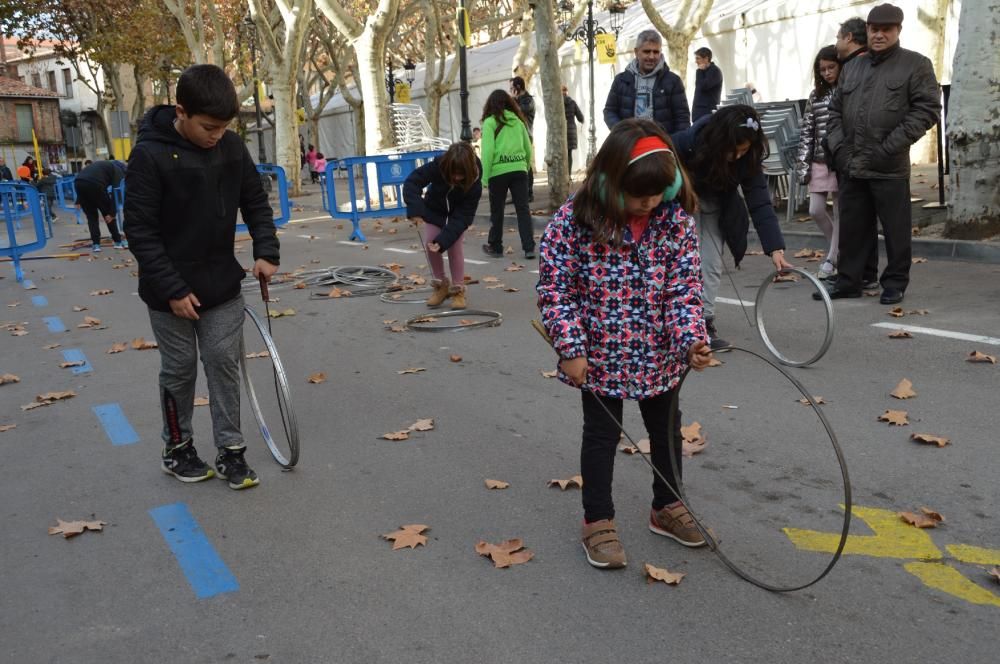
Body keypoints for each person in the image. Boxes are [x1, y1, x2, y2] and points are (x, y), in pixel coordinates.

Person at [537, 118, 713, 570]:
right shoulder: (574, 221)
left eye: (657, 194)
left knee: (666, 431)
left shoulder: (673, 220)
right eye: (639, 196)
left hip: (661, 354)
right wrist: (571, 347)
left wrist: (691, 340)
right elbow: (556, 289)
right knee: (601, 435)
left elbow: (683, 290)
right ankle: (597, 520)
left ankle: (666, 506)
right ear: (612, 180)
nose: (648, 203)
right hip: (599, 356)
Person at [124, 64, 280, 489]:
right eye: (208, 126)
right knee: (179, 370)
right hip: (167, 290)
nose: (216, 135)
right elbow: (139, 230)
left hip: (222, 284)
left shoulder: (231, 148)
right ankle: (177, 448)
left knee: (223, 363)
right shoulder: (149, 155)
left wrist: (266, 251)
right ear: (181, 112)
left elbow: (255, 202)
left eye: (224, 127)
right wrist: (172, 289)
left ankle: (232, 451)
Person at [820, 3, 939, 305]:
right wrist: (840, 149)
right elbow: (835, 112)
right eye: (875, 29)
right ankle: (850, 280)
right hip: (852, 163)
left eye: (887, 29)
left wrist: (888, 148)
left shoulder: (916, 64)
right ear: (868, 31)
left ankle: (895, 282)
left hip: (889, 165)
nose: (880, 34)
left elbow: (926, 110)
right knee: (852, 227)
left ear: (898, 30)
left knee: (896, 231)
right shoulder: (852, 67)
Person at [671, 105, 793, 350]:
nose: (737, 156)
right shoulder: (689, 141)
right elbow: (664, 166)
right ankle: (677, 320)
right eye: (732, 151)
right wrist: (683, 192)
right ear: (719, 139)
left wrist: (775, 247)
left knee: (712, 263)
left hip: (718, 205)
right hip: (681, 202)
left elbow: (759, 200)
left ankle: (704, 322)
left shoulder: (748, 158)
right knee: (684, 263)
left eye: (743, 151)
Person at [403, 142, 483, 309]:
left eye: (460, 175)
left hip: (456, 216)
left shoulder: (475, 184)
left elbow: (463, 217)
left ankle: (458, 289)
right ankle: (441, 285)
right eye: (453, 173)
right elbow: (412, 182)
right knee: (430, 243)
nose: (456, 178)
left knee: (454, 247)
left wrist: (444, 240)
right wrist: (416, 209)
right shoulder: (438, 166)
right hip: (435, 210)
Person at [832, 16, 877, 289]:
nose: (837, 42)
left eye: (839, 36)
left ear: (849, 37)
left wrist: (840, 149)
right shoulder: (856, 65)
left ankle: (853, 276)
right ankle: (865, 273)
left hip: (858, 154)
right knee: (862, 218)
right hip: (852, 152)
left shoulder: (857, 66)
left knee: (854, 218)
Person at [796, 45, 841, 280]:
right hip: (819, 161)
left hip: (841, 161)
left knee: (841, 211)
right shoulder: (816, 95)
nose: (826, 73)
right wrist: (803, 164)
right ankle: (839, 249)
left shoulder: (847, 90)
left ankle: (832, 259)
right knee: (815, 210)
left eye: (831, 67)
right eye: (822, 69)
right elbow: (807, 130)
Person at [479, 89, 534, 259]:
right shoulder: (518, 122)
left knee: (497, 210)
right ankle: (529, 247)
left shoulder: (489, 123)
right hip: (519, 170)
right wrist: (524, 166)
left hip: (498, 172)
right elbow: (528, 147)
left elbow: (487, 152)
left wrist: (484, 177)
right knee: (523, 210)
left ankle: (496, 246)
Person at [604, 30, 690, 134]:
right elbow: (609, 111)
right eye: (646, 51)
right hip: (628, 144)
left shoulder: (673, 81)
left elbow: (682, 118)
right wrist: (622, 132)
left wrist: (673, 144)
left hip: (661, 145)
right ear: (636, 52)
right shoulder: (621, 80)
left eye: (656, 52)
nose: (651, 57)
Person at [74, 159, 126, 251]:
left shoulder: (101, 165)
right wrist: (112, 213)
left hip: (78, 182)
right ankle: (117, 242)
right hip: (96, 185)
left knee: (91, 217)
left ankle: (96, 245)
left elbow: (85, 179)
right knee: (108, 215)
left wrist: (78, 200)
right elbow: (116, 193)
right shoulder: (118, 171)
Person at [510, 76, 536, 202]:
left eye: (511, 88)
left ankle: (529, 193)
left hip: (526, 135)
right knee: (515, 165)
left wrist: (514, 100)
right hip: (515, 136)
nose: (510, 91)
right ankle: (518, 194)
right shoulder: (517, 100)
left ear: (517, 88)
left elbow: (519, 112)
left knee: (526, 164)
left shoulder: (528, 101)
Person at [691, 47, 723, 121]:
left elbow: (703, 86)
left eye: (698, 58)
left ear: (706, 58)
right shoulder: (701, 71)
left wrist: (700, 71)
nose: (696, 61)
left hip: (707, 114)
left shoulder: (715, 71)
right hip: (698, 114)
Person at [562, 85, 584, 174]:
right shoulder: (572, 103)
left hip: (561, 131)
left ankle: (562, 175)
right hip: (571, 131)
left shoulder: (557, 104)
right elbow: (581, 118)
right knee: (569, 154)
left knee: (562, 154)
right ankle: (568, 175)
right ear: (567, 92)